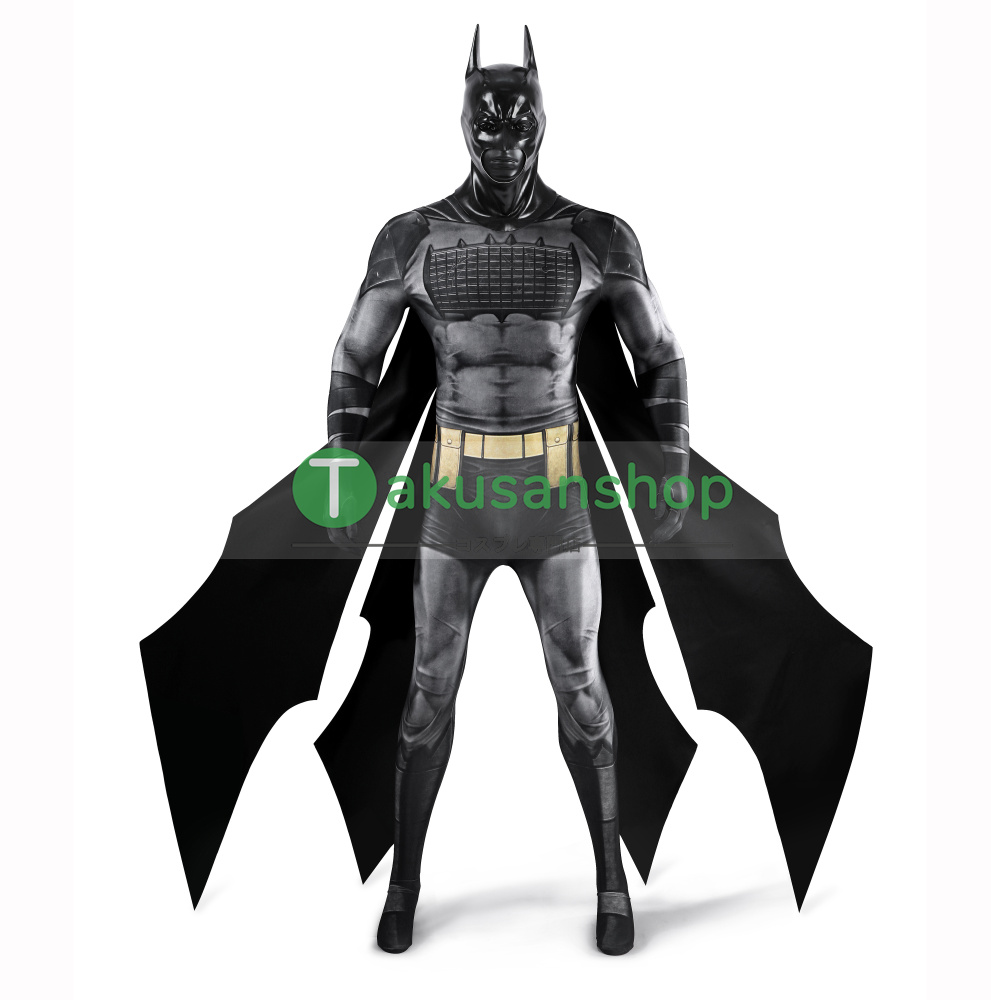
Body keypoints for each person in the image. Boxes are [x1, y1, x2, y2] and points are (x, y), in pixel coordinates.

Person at [324, 26, 691, 956]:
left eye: (519, 116)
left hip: (554, 500)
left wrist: (674, 455)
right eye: (486, 118)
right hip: (454, 500)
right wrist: (341, 463)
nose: (502, 134)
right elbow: (354, 357)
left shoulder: (597, 238)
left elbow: (659, 355)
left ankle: (611, 883)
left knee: (584, 692)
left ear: (544, 118)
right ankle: (404, 883)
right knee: (425, 698)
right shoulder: (412, 238)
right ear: (460, 120)